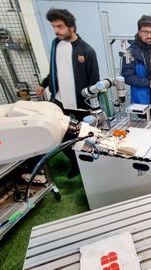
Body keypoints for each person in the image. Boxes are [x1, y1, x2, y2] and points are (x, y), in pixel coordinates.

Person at [36, 8, 100, 178]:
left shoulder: (87, 51)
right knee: (59, 135)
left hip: (81, 104)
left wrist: (94, 106)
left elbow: (95, 82)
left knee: (86, 136)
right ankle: (75, 162)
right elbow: (54, 70)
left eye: (60, 26)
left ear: (71, 27)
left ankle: (91, 165)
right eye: (54, 26)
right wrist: (44, 84)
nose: (56, 30)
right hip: (58, 100)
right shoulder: (55, 45)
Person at [121, 15, 151, 120]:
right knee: (146, 130)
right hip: (143, 100)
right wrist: (148, 82)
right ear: (139, 32)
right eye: (145, 32)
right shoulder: (130, 52)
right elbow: (127, 77)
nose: (149, 35)